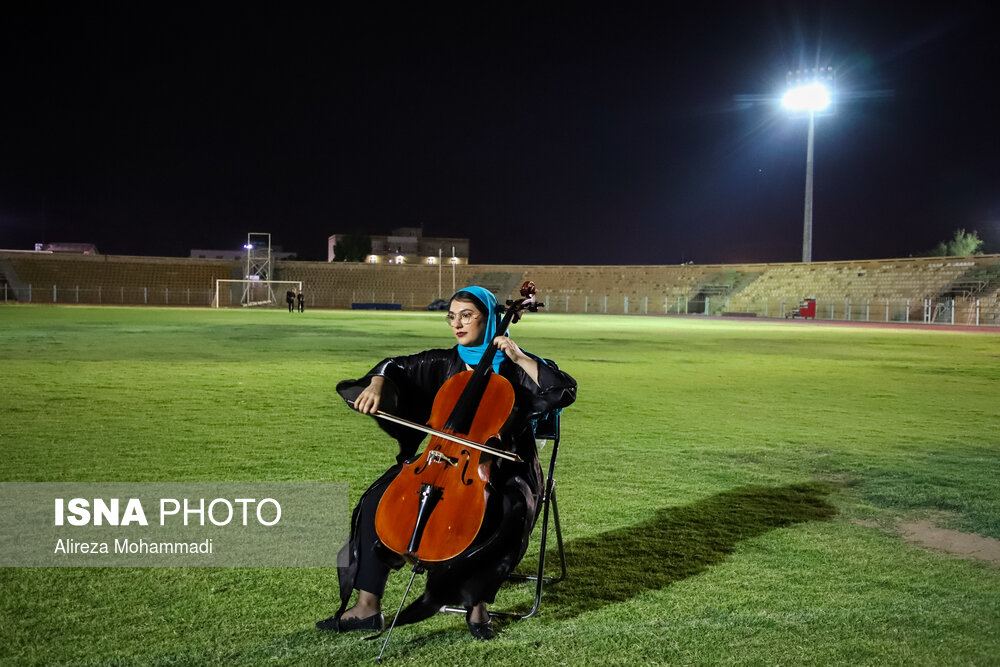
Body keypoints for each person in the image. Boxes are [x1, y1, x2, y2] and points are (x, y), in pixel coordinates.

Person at [317, 286, 576, 640]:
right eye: (451, 316)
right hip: (439, 460)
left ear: (490, 318)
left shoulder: (517, 367)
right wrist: (378, 383)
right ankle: (366, 607)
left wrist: (517, 356)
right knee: (376, 500)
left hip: (505, 467)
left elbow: (562, 391)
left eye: (467, 315)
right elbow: (394, 366)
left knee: (506, 510)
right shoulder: (443, 362)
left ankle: (477, 608)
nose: (457, 323)